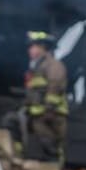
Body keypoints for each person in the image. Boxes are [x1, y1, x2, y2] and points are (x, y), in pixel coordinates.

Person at [13, 30, 68, 162]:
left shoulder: (53, 65)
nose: (30, 50)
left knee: (49, 143)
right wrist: (26, 107)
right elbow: (34, 93)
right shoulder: (36, 68)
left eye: (33, 47)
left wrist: (48, 109)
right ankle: (16, 157)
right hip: (37, 113)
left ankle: (54, 168)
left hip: (52, 115)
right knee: (12, 122)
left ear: (43, 48)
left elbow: (54, 87)